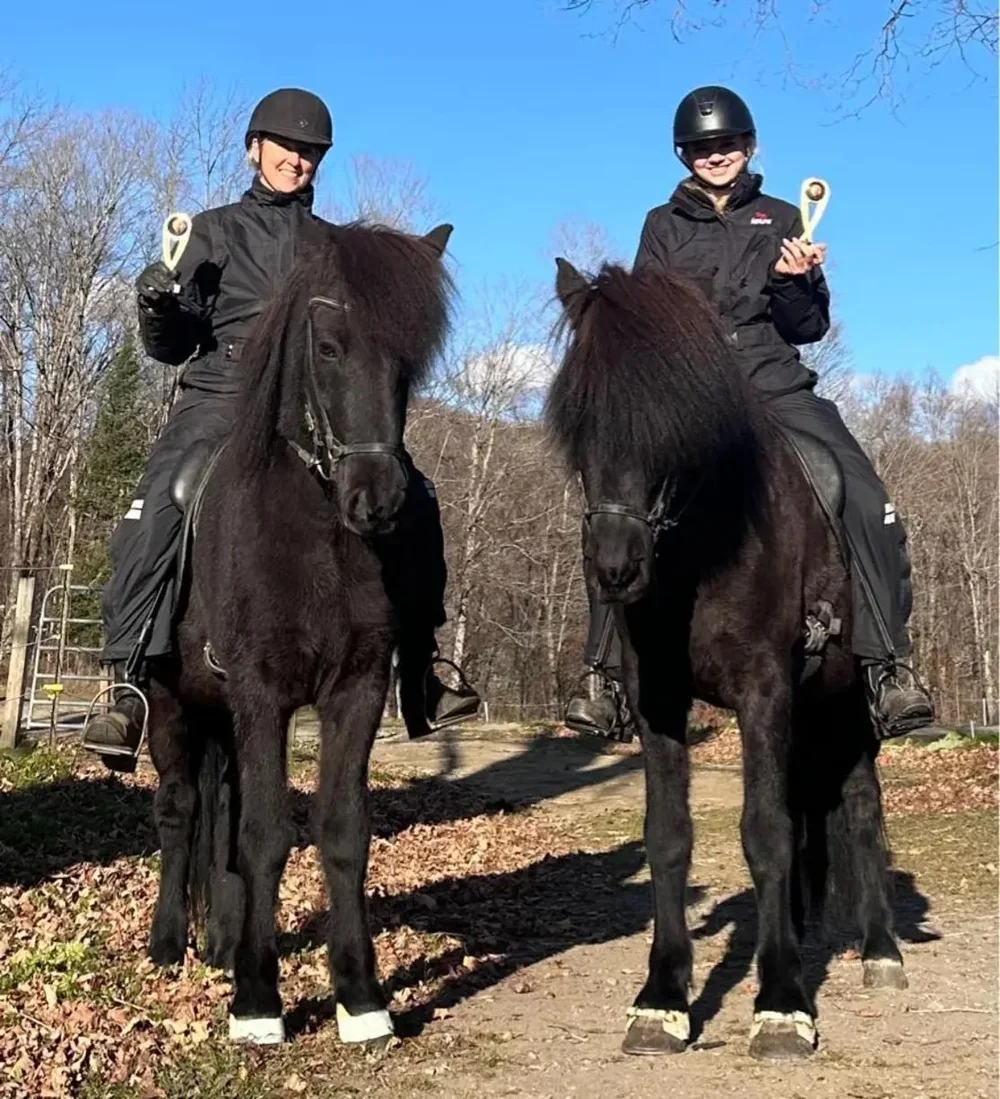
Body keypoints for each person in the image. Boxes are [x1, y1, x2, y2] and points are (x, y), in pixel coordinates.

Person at [83, 88, 480, 765]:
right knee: (161, 499)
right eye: (286, 148)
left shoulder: (334, 246)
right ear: (254, 150)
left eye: (309, 152)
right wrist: (157, 304)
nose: (297, 160)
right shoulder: (211, 231)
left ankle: (421, 668)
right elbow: (174, 345)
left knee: (417, 492)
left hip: (311, 408)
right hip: (223, 396)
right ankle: (128, 682)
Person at [564, 85, 933, 742]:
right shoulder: (662, 225)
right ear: (685, 154)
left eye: (727, 144)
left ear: (749, 146)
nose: (717, 155)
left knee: (864, 492)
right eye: (703, 147)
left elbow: (808, 325)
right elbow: (645, 323)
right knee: (614, 502)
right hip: (694, 395)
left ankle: (887, 665)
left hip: (774, 385)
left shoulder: (785, 216)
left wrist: (799, 280)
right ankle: (604, 675)